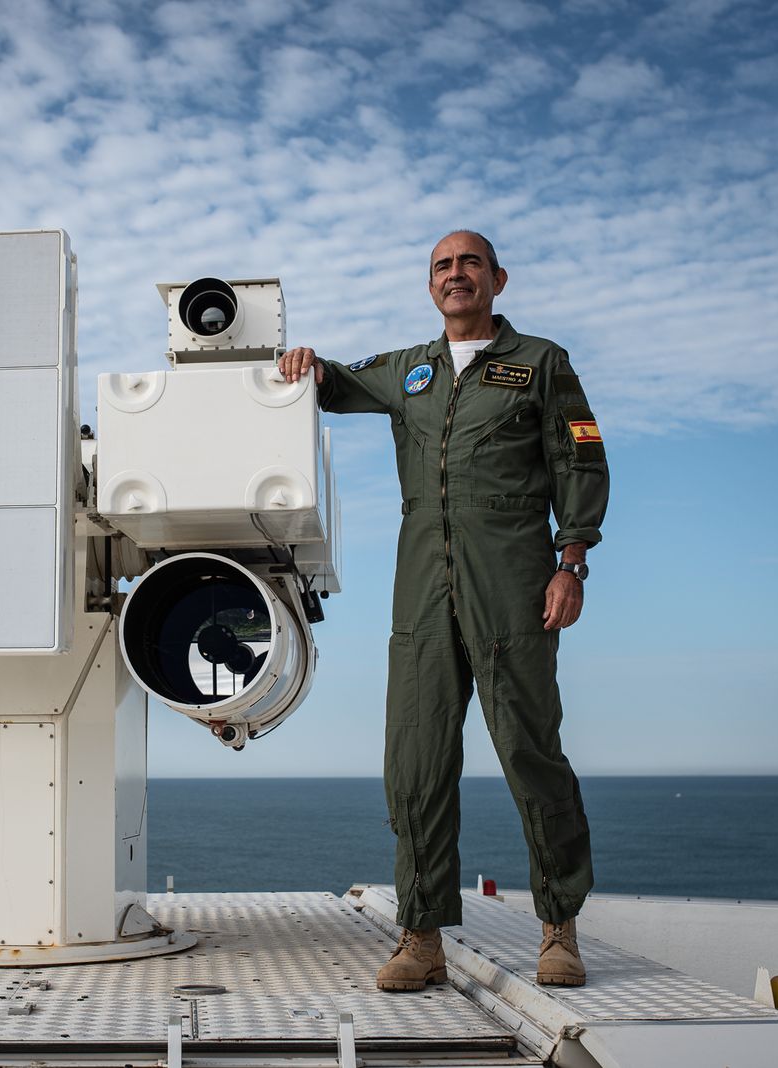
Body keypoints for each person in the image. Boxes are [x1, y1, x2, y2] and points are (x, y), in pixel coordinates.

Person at [278, 230, 608, 990]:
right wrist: (305, 364)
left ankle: (560, 927)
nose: (454, 275)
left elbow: (580, 459)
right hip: (422, 588)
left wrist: (572, 561)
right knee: (416, 762)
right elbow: (331, 385)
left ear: (497, 278)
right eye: (441, 266)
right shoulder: (408, 371)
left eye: (468, 264)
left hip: (515, 584)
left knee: (530, 753)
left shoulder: (543, 363)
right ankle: (420, 936)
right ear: (431, 286)